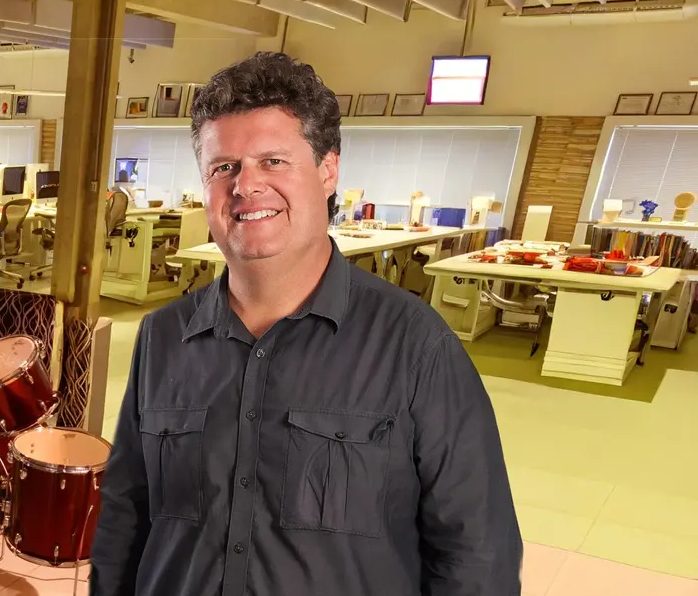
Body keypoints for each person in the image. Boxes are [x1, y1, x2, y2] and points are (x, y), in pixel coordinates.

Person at [90, 52, 522, 596]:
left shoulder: (415, 346)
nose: (246, 186)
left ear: (327, 171)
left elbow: (477, 555)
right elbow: (125, 517)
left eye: (273, 161)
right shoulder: (163, 336)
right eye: (224, 167)